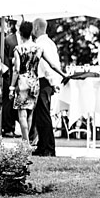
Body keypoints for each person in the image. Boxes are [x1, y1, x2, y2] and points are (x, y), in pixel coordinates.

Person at [11, 21, 64, 151]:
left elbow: (18, 69)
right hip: (35, 82)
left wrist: (11, 87)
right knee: (32, 115)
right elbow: (52, 64)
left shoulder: (21, 48)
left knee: (28, 115)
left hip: (27, 81)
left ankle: (30, 143)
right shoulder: (42, 46)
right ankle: (34, 143)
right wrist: (62, 75)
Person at [30, 18, 63, 157]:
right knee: (40, 115)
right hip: (48, 81)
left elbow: (45, 65)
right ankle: (42, 145)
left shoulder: (40, 44)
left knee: (43, 114)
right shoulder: (50, 43)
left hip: (44, 80)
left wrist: (52, 81)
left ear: (36, 27)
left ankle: (48, 147)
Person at [0, 19, 19, 138]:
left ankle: (8, 126)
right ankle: (7, 127)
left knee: (8, 101)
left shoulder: (4, 37)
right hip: (5, 72)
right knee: (7, 101)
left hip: (7, 71)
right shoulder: (1, 37)